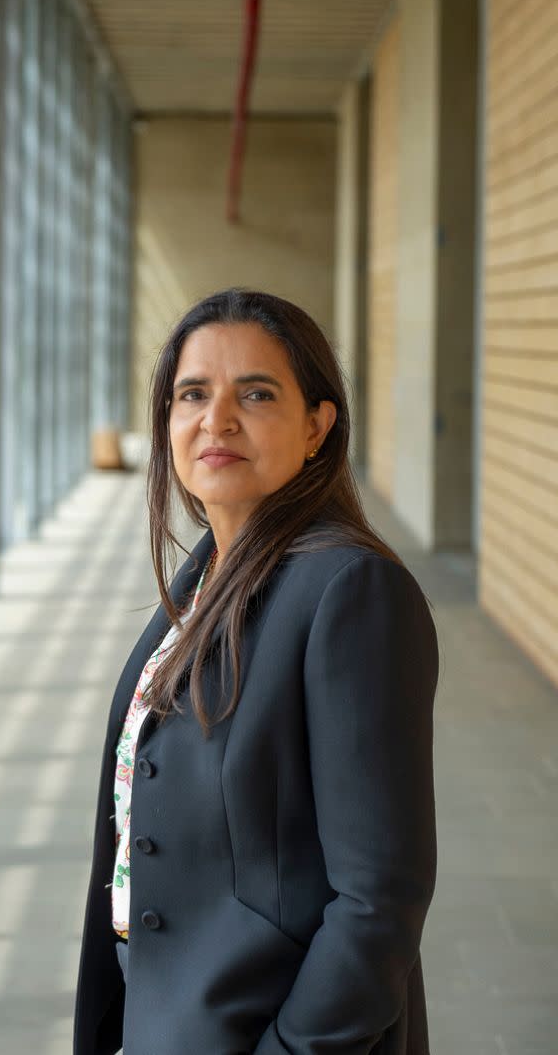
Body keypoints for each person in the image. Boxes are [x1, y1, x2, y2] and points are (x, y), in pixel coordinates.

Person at [73, 287, 439, 1055]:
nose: (218, 419)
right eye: (193, 394)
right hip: (161, 1012)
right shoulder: (204, 577)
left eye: (258, 393)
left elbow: (379, 899)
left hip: (260, 1029)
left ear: (317, 427)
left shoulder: (350, 591)